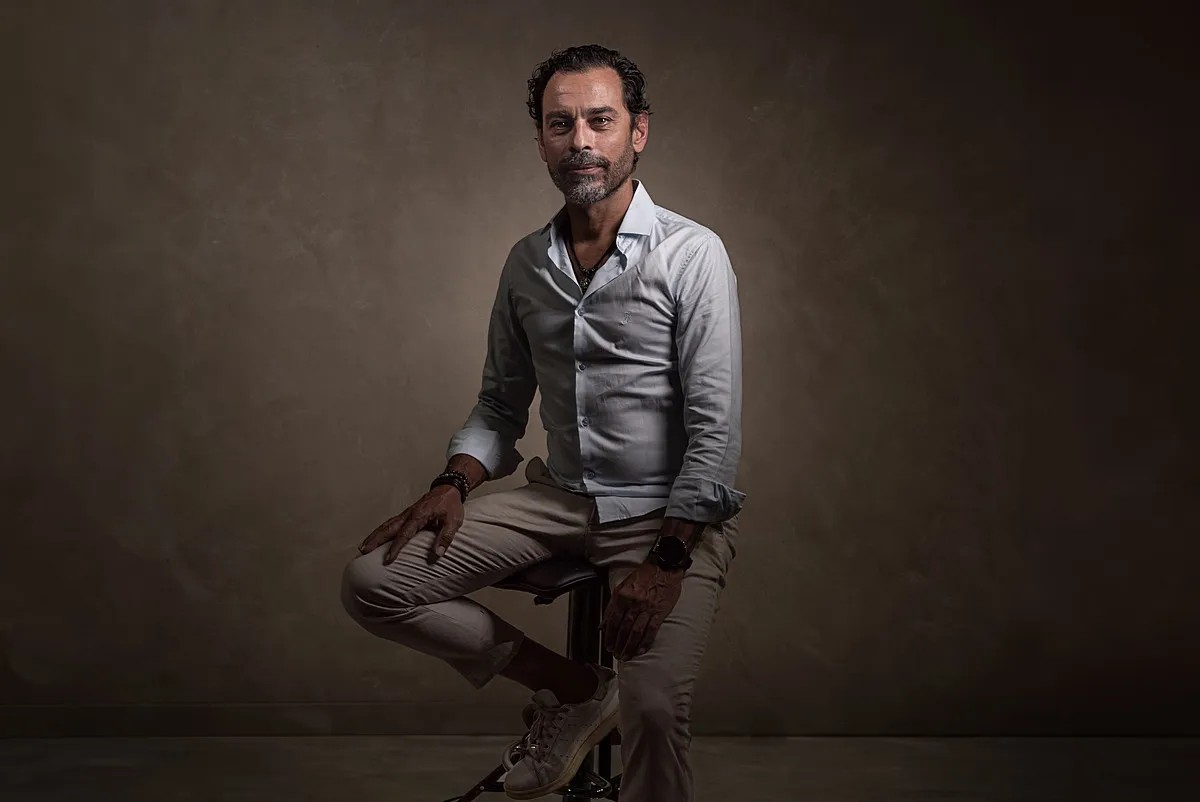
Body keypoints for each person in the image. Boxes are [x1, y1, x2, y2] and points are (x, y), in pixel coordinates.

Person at [341, 43, 745, 802]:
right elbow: (500, 404)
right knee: (374, 582)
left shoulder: (692, 255)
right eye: (561, 124)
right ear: (541, 142)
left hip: (665, 516)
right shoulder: (527, 263)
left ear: (638, 131)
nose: (580, 140)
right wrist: (452, 482)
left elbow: (714, 431)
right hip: (558, 501)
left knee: (656, 712)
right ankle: (577, 689)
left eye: (600, 120)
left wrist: (667, 562)